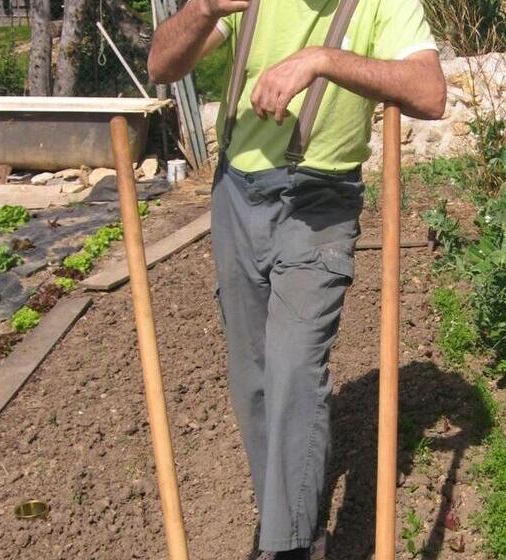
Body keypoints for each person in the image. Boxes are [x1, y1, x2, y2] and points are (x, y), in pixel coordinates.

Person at [148, 0, 445, 557]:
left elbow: (430, 93)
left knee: (294, 366)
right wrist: (204, 8)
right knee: (253, 378)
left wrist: (322, 59)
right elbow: (162, 66)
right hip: (236, 192)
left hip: (321, 200)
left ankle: (290, 547)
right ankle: (284, 525)